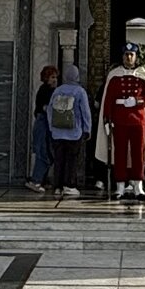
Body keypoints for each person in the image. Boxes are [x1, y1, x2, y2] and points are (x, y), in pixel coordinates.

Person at [96, 42, 145, 201]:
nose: (129, 57)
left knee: (138, 153)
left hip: (138, 120)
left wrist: (138, 102)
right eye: (126, 54)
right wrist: (107, 119)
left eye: (131, 55)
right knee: (120, 153)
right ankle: (120, 186)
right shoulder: (115, 75)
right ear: (123, 56)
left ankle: (138, 186)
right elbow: (108, 99)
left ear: (136, 57)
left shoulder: (143, 75)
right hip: (119, 120)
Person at [45, 64, 93, 195]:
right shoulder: (80, 91)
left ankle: (57, 186)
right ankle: (69, 185)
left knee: (59, 160)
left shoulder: (58, 90)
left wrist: (52, 127)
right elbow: (85, 112)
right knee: (71, 160)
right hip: (74, 132)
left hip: (58, 133)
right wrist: (87, 129)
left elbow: (50, 110)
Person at [25, 65, 57, 192]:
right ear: (46, 78)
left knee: (48, 152)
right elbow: (44, 108)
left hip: (46, 124)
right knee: (43, 152)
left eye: (55, 77)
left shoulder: (49, 90)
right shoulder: (45, 91)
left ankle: (41, 179)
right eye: (52, 77)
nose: (54, 80)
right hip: (43, 123)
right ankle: (36, 180)